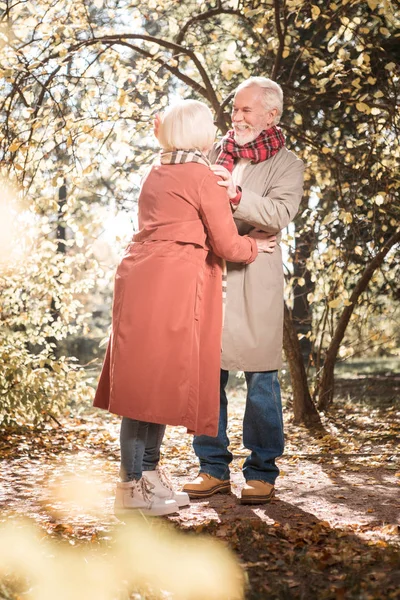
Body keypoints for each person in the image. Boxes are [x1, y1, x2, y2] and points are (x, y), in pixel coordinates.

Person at [93, 99, 275, 517]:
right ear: (197, 131)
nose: (217, 127)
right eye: (211, 122)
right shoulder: (203, 177)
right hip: (173, 283)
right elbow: (227, 243)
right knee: (147, 389)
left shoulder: (157, 171)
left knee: (146, 382)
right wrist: (254, 246)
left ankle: (147, 477)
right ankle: (130, 486)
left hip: (140, 277)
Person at [183, 77, 305, 505]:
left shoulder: (288, 164)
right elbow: (195, 204)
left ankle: (262, 471)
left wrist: (235, 194)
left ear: (271, 114)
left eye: (246, 110)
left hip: (255, 280)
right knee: (207, 376)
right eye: (234, 109)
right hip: (212, 273)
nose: (235, 116)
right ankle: (211, 467)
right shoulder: (214, 152)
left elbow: (278, 213)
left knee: (261, 380)